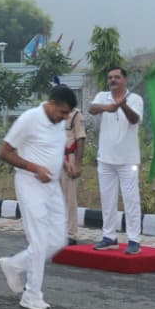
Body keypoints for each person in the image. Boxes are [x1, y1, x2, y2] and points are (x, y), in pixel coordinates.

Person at [0, 86, 78, 309]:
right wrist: (34, 167)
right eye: (62, 112)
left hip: (52, 185)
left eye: (67, 114)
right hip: (30, 183)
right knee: (40, 241)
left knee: (57, 240)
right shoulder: (29, 119)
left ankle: (14, 264)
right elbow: (3, 152)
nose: (64, 118)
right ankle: (32, 295)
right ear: (51, 103)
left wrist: (64, 162)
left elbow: (54, 146)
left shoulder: (59, 121)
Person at [89, 66, 144, 254]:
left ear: (125, 79)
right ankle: (109, 237)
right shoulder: (102, 96)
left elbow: (135, 120)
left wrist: (123, 105)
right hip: (105, 159)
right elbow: (91, 109)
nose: (113, 80)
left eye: (117, 77)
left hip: (128, 160)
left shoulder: (135, 99)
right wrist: (108, 106)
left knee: (131, 200)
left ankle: (134, 240)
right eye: (110, 77)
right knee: (107, 201)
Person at [60, 100, 86, 242]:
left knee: (69, 197)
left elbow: (80, 139)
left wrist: (77, 164)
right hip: (54, 158)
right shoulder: (54, 115)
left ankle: (71, 233)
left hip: (68, 157)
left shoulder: (76, 115)